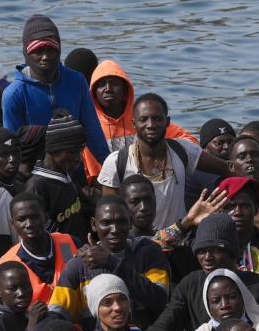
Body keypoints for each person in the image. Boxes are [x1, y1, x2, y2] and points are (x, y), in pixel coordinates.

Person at [87, 213, 259, 331]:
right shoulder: (192, 287)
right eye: (201, 251)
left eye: (215, 250)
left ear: (233, 252)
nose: (207, 258)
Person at [97, 93, 231, 229]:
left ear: (167, 122)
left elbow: (226, 169)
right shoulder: (116, 162)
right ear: (133, 123)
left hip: (180, 240)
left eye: (157, 119)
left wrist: (230, 202)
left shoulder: (183, 149)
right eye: (143, 119)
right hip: (136, 245)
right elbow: (109, 214)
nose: (150, 125)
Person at [2, 15, 109, 167]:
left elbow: (92, 132)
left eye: (51, 49)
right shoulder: (14, 94)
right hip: (34, 171)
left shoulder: (77, 82)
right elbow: (13, 146)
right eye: (38, 51)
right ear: (26, 53)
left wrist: (111, 168)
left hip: (72, 167)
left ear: (59, 50)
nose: (45, 57)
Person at [48, 196, 170, 329]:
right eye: (106, 223)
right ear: (94, 225)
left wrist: (111, 262)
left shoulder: (147, 252)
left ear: (130, 222)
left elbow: (160, 299)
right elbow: (55, 318)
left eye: (121, 222)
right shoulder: (78, 266)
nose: (115, 229)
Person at [83, 60, 197, 180]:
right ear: (94, 92)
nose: (108, 89)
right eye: (101, 84)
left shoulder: (144, 119)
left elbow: (191, 142)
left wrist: (162, 156)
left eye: (114, 83)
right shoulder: (89, 125)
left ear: (125, 90)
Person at [0, 192, 78, 305]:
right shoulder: (7, 263)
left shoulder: (67, 244)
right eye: (22, 219)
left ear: (46, 218)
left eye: (35, 217)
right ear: (13, 224)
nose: (29, 224)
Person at [24, 111, 89, 244]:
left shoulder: (66, 173)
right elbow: (46, 234)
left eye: (80, 151)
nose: (78, 158)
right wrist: (71, 253)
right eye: (71, 152)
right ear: (53, 149)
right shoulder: (36, 187)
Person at [218, 176, 259, 281]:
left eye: (245, 206)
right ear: (219, 211)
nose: (238, 212)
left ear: (256, 209)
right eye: (230, 207)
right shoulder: (208, 251)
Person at [0, 261, 46, 331]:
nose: (21, 293)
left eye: (26, 286)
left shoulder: (30, 315)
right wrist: (30, 328)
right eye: (13, 289)